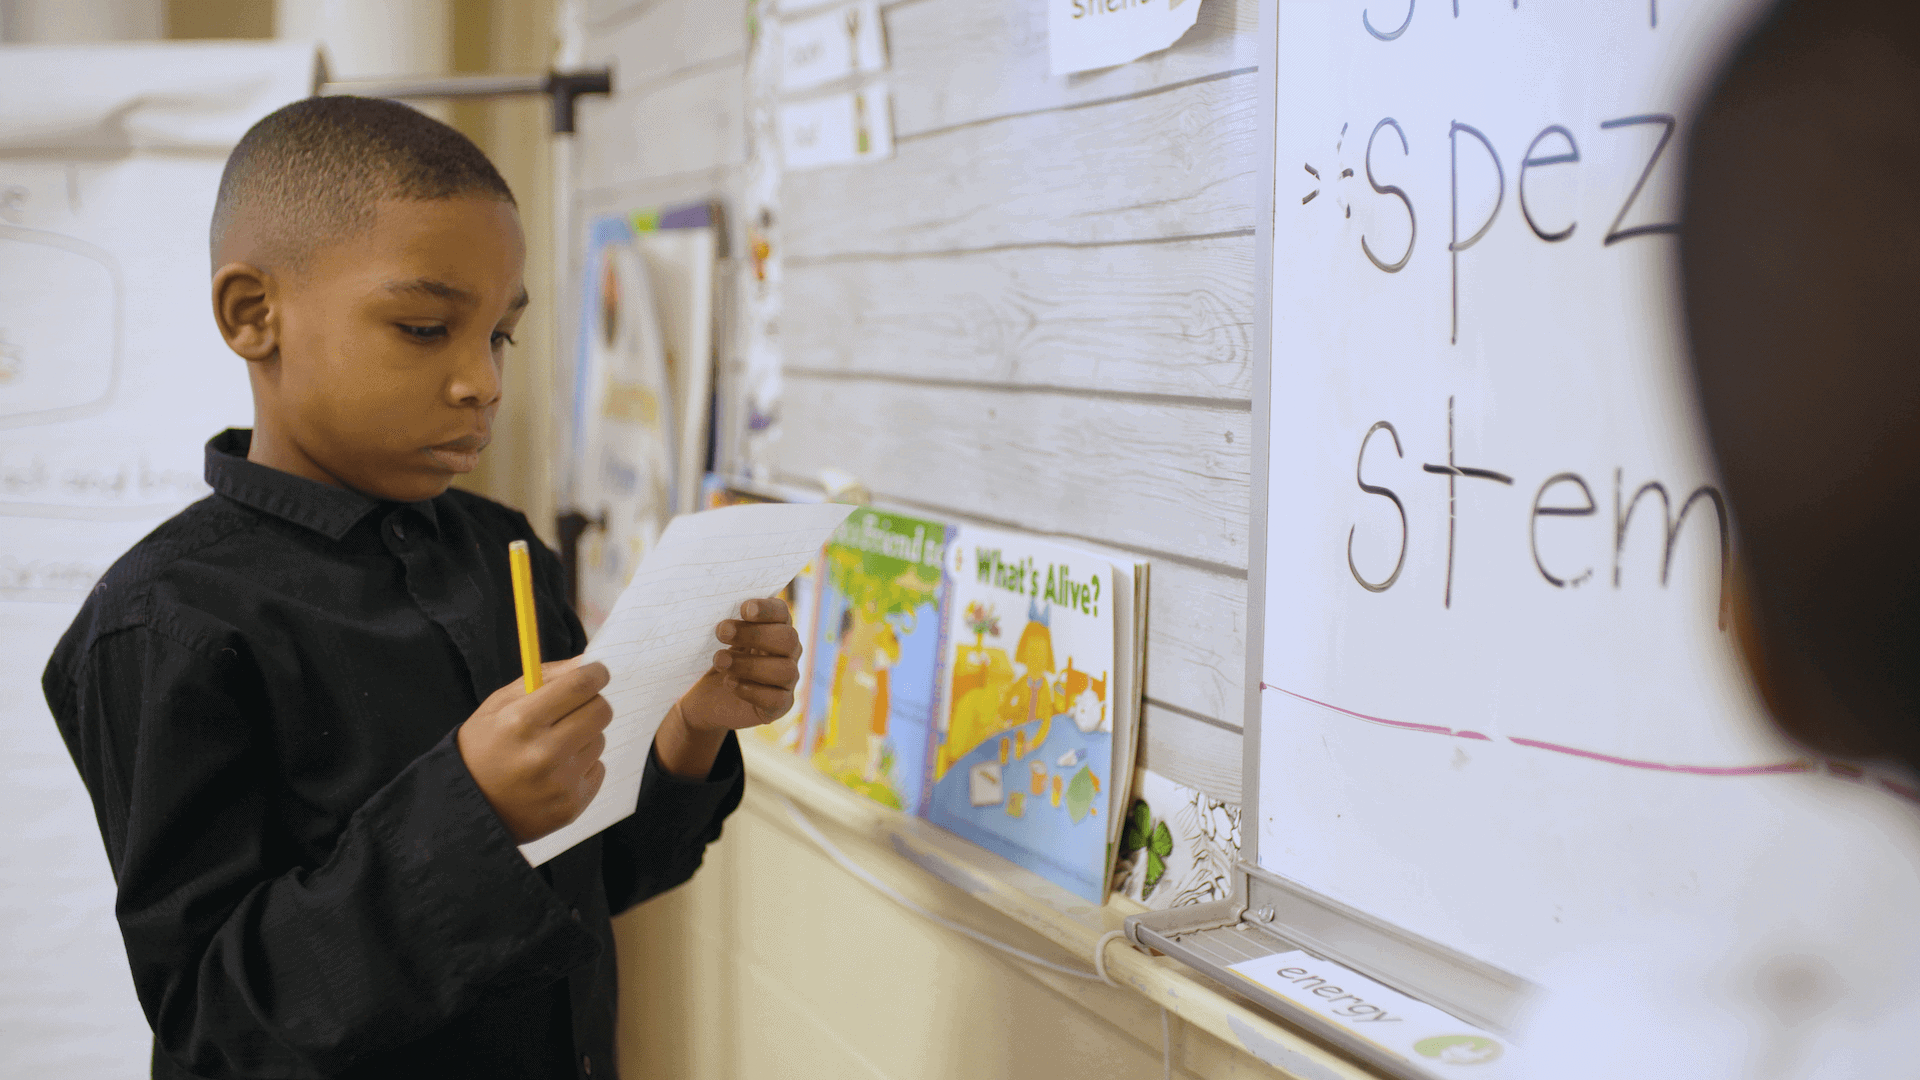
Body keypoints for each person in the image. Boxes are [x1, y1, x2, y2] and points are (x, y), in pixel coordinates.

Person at [39, 96, 802, 1080]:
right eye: (425, 326)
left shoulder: (502, 554)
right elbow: (219, 1031)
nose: (483, 381)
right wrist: (469, 812)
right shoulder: (167, 623)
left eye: (500, 337)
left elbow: (595, 877)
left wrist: (689, 732)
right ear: (252, 314)